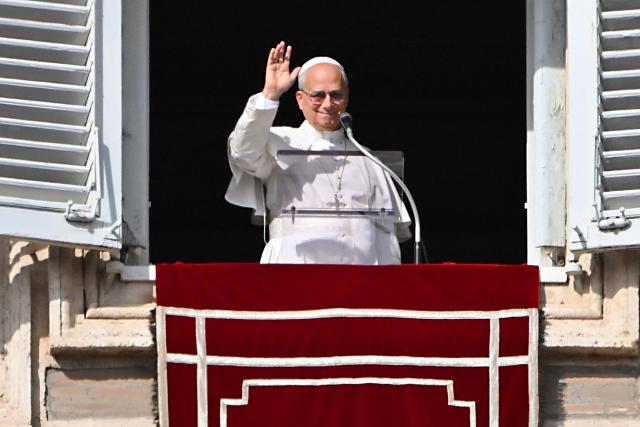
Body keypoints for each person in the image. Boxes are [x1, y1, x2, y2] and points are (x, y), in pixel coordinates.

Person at [225, 41, 411, 264]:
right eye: (318, 95)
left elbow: (386, 236)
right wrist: (270, 95)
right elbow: (243, 152)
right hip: (295, 274)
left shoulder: (367, 158)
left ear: (347, 96)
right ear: (300, 99)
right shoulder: (280, 142)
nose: (328, 103)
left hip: (360, 284)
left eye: (336, 94)